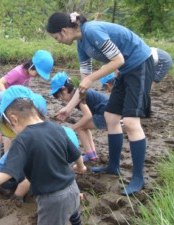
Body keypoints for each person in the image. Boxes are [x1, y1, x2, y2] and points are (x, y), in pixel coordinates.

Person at [47, 12, 154, 195]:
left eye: (56, 37)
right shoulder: (81, 43)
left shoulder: (92, 31)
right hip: (125, 71)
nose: (57, 41)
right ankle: (113, 166)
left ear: (64, 31)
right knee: (111, 117)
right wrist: (68, 107)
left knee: (130, 122)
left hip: (140, 64)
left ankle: (138, 177)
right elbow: (83, 84)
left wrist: (91, 79)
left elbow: (118, 59)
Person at [0, 85, 87, 225]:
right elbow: (75, 154)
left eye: (11, 127)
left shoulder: (23, 138)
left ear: (14, 119)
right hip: (73, 189)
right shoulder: (56, 128)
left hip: (52, 198)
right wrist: (81, 167)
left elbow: (7, 171)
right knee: (75, 217)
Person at [50, 71, 109, 162]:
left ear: (64, 89)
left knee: (80, 128)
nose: (61, 99)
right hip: (107, 113)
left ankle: (90, 155)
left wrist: (72, 128)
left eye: (60, 96)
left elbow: (88, 116)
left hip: (106, 114)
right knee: (84, 127)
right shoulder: (77, 92)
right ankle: (92, 154)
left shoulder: (79, 96)